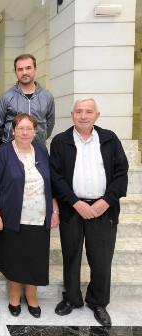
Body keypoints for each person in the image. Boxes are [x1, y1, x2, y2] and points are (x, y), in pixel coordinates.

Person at [50, 98, 128, 327]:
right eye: (79, 112)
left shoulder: (110, 139)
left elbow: (121, 173)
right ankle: (72, 298)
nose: (83, 116)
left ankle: (98, 302)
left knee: (101, 259)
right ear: (72, 115)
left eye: (88, 112)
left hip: (103, 209)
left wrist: (106, 201)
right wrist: (75, 202)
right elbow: (55, 177)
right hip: (72, 209)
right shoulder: (60, 141)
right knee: (71, 256)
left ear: (97, 115)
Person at [0, 113, 59, 318]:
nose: (25, 132)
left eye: (29, 129)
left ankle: (32, 297)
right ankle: (14, 297)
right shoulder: (2, 152)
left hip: (39, 217)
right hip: (12, 217)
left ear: (35, 131)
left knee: (35, 260)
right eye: (21, 128)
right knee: (14, 260)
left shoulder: (41, 150)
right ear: (13, 130)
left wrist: (54, 210)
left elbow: (50, 182)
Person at [0, 53, 55, 145]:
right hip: (11, 150)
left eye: (28, 68)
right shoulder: (5, 97)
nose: (24, 72)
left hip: (39, 149)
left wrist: (40, 139)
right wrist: (7, 144)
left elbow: (50, 124)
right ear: (15, 72)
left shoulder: (47, 97)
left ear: (35, 69)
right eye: (20, 69)